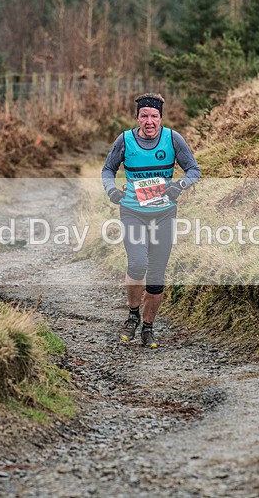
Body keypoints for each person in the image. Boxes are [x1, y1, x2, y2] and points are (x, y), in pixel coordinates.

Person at [101, 93, 200, 348]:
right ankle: (133, 314)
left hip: (164, 214)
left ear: (160, 118)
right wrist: (112, 191)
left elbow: (193, 170)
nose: (149, 121)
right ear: (137, 118)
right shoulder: (124, 140)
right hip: (133, 212)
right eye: (144, 116)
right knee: (137, 264)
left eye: (154, 116)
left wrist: (179, 186)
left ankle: (148, 328)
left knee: (156, 274)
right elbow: (108, 170)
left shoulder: (172, 139)